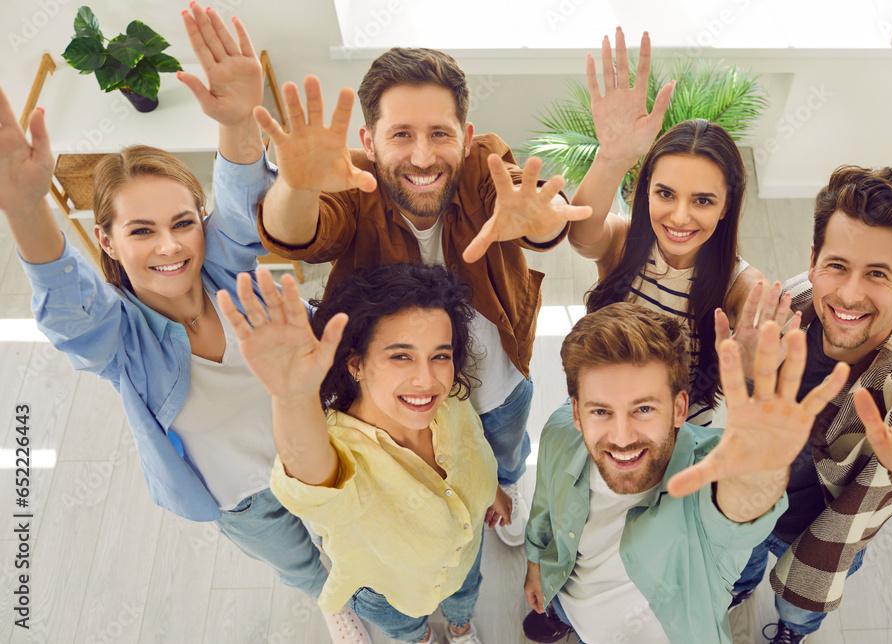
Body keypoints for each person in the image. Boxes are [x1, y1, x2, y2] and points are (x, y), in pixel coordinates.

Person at [0, 4, 369, 642]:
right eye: (140, 231)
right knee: (300, 562)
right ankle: (331, 599)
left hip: (323, 443)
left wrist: (236, 123)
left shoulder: (226, 266)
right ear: (108, 243)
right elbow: (69, 311)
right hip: (240, 494)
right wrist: (29, 209)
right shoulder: (121, 338)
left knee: (356, 531)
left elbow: (236, 202)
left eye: (181, 223)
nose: (170, 247)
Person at [247, 47, 591, 547]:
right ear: (369, 140)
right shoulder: (355, 179)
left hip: (496, 378)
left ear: (466, 137)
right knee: (428, 474)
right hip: (404, 392)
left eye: (440, 134)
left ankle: (508, 486)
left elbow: (527, 202)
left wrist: (542, 217)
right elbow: (304, 233)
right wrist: (296, 187)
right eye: (401, 135)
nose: (423, 156)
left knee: (507, 451)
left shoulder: (483, 163)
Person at [724, 165, 892, 643]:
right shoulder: (794, 300)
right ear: (813, 260)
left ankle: (792, 630)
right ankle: (738, 590)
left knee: (800, 604)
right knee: (738, 565)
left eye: (877, 273)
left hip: (820, 532)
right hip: (749, 500)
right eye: (837, 266)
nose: (849, 294)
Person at [218, 262, 510, 644]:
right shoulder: (340, 455)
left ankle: (460, 626)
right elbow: (310, 476)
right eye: (401, 356)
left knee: (465, 592)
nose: (428, 379)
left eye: (440, 355)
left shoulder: (452, 402)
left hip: (465, 555)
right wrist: (293, 396)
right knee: (407, 630)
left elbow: (476, 451)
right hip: (386, 593)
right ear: (356, 363)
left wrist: (493, 491)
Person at [521, 302, 849, 643]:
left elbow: (736, 510)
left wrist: (758, 468)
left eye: (644, 408)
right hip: (572, 602)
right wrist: (535, 563)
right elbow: (545, 503)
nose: (622, 437)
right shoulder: (560, 433)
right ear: (576, 413)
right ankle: (565, 618)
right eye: (601, 411)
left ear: (679, 408)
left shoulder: (709, 473)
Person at [568, 28, 796, 427]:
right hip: (605, 405)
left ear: (727, 207)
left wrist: (750, 369)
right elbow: (581, 235)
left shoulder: (739, 286)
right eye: (666, 194)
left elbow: (764, 374)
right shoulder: (624, 243)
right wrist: (612, 156)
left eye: (703, 201)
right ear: (646, 191)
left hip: (682, 428)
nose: (678, 217)